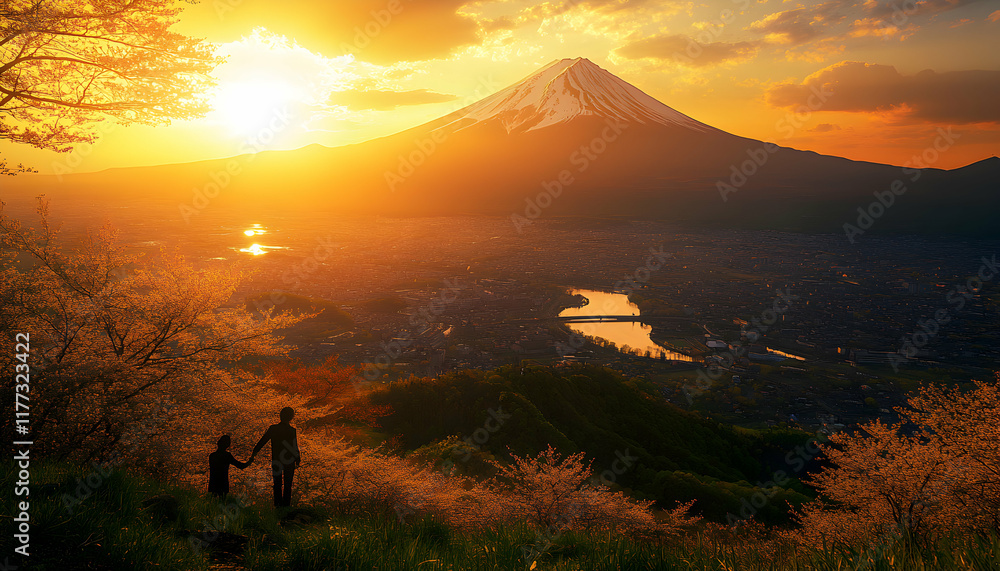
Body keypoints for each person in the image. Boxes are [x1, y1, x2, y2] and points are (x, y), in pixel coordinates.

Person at [251, 406, 301, 507]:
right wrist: (298, 459)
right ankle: (286, 506)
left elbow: (262, 442)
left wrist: (254, 453)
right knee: (288, 485)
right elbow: (294, 446)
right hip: (289, 460)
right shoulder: (292, 430)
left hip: (276, 459)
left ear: (280, 416)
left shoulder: (273, 429)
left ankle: (277, 506)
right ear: (291, 417)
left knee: (277, 484)